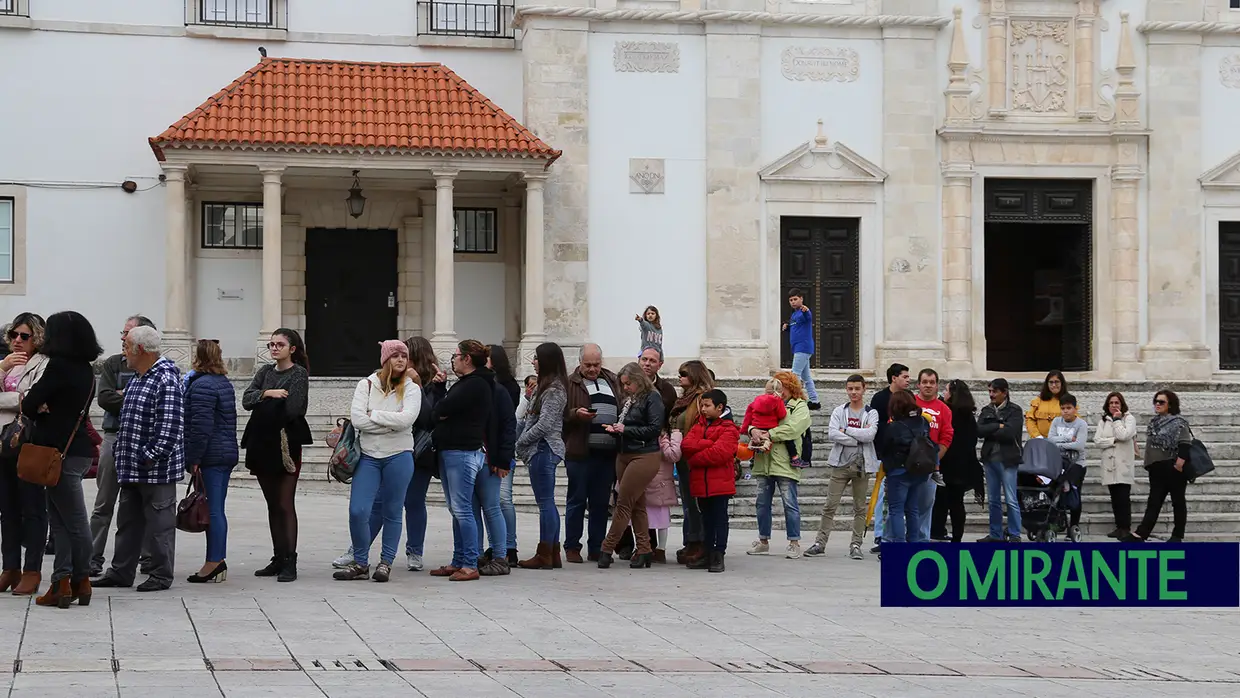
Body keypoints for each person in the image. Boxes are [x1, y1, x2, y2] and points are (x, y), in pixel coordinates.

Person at [17, 312, 101, 607]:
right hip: (75, 450)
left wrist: (40, 406)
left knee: (75, 522)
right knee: (62, 522)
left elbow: (28, 403)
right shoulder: (86, 370)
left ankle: (80, 579)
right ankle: (61, 582)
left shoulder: (58, 366)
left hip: (56, 453)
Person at [93, 326, 184, 593]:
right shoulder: (138, 377)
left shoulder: (165, 378)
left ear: (140, 350)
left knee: (159, 525)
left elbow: (169, 429)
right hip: (131, 467)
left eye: (127, 347)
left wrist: (147, 456)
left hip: (154, 469)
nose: (124, 353)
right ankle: (121, 572)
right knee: (128, 523)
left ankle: (159, 574)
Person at [335, 341, 421, 582]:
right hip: (369, 456)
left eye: (404, 356)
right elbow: (358, 420)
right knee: (358, 510)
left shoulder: (411, 388)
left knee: (392, 510)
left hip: (399, 455)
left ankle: (386, 562)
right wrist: (389, 424)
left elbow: (407, 420)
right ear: (385, 360)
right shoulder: (366, 384)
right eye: (395, 356)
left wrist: (376, 416)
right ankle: (361, 562)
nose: (401, 360)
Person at [240, 329, 311, 583]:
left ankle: (290, 560)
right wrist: (268, 395)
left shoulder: (298, 374)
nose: (274, 348)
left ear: (292, 348)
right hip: (261, 442)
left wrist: (264, 404)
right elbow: (246, 399)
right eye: (271, 344)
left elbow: (294, 408)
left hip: (286, 444)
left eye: (279, 344)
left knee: (284, 503)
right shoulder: (265, 372)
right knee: (272, 504)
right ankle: (278, 556)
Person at [90, 315, 155, 577]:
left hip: (142, 440)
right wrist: (135, 397)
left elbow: (153, 404)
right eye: (123, 332)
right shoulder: (113, 364)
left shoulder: (157, 367)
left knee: (144, 502)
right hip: (113, 436)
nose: (122, 338)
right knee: (104, 501)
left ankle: (147, 557)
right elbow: (104, 398)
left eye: (128, 334)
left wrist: (125, 394)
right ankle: (92, 557)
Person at [428, 340, 494, 582]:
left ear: (467, 359)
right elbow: (441, 410)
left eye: (456, 355)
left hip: (463, 452)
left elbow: (441, 410)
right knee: (456, 509)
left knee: (463, 509)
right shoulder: (466, 383)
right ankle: (459, 560)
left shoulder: (476, 384)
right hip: (451, 450)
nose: (453, 359)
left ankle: (469, 563)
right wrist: (440, 389)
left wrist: (441, 409)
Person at [597, 363, 664, 569]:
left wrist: (625, 429)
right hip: (625, 452)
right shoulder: (632, 399)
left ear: (638, 380)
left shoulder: (652, 397)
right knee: (636, 505)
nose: (625, 387)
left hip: (644, 454)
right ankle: (644, 550)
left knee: (623, 503)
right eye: (623, 384)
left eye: (628, 383)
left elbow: (654, 428)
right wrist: (617, 430)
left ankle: (606, 548)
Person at [0, 312, 49, 596]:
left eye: (24, 336)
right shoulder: (5, 364)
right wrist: (3, 369)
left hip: (28, 442)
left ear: (37, 339)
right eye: (13, 335)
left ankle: (32, 569)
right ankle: (10, 567)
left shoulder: (43, 365)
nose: (17, 341)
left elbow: (30, 401)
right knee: (7, 509)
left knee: (32, 508)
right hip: (3, 444)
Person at [183, 339, 238, 584]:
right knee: (216, 508)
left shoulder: (202, 385)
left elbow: (201, 427)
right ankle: (216, 560)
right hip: (224, 451)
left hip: (211, 455)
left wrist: (193, 458)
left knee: (214, 510)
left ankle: (215, 561)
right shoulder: (222, 383)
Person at [806, 374, 878, 559]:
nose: (853, 392)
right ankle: (819, 543)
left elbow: (870, 435)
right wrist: (856, 440)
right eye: (850, 388)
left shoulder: (871, 412)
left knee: (859, 507)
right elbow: (832, 434)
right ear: (846, 389)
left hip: (861, 465)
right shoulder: (839, 411)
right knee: (830, 505)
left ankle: (856, 544)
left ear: (864, 389)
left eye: (857, 388)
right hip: (840, 464)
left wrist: (845, 430)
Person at [562, 344, 619, 563]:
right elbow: (559, 413)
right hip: (580, 451)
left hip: (607, 453)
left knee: (601, 502)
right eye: (588, 365)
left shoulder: (613, 380)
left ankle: (597, 546)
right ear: (580, 362)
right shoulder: (570, 382)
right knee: (576, 500)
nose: (593, 369)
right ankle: (572, 547)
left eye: (596, 364)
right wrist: (576, 413)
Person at [746, 370, 812, 559]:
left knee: (790, 503)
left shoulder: (799, 406)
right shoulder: (763, 401)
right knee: (761, 503)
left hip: (784, 462)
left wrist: (769, 434)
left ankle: (794, 542)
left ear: (791, 388)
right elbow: (751, 418)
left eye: (782, 387)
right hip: (763, 460)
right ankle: (763, 540)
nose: (778, 391)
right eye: (775, 387)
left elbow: (794, 428)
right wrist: (752, 430)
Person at [515, 342, 568, 570]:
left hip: (544, 448)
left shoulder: (554, 390)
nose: (533, 362)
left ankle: (545, 551)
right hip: (541, 448)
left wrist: (522, 440)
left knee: (545, 502)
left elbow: (545, 424)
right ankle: (552, 552)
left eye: (536, 358)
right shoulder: (543, 387)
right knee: (547, 502)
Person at [681, 389, 739, 573]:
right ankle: (705, 552)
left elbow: (720, 454)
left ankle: (718, 554)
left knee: (719, 519)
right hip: (701, 483)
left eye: (707, 406)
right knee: (705, 519)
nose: (703, 409)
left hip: (720, 483)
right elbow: (686, 445)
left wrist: (695, 458)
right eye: (702, 406)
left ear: (719, 407)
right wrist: (707, 445)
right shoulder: (699, 424)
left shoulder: (729, 428)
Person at [1126, 390, 1192, 543]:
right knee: (1154, 502)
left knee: (1178, 502)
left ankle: (1177, 535)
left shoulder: (1179, 422)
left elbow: (1185, 444)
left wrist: (1179, 465)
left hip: (1173, 467)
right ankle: (1141, 534)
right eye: (1156, 401)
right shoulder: (1154, 422)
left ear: (1170, 405)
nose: (1157, 404)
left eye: (1161, 402)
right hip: (1156, 468)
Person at [474, 348, 515, 577]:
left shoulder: (498, 391)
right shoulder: (473, 388)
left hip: (491, 459)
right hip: (474, 455)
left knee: (492, 506)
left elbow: (508, 427)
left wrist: (503, 460)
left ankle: (501, 555)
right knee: (471, 509)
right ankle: (476, 553)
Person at [668, 360, 713, 565]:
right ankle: (692, 541)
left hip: (695, 456)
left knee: (696, 504)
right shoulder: (685, 398)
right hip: (682, 457)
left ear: (695, 375)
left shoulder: (702, 398)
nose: (680, 377)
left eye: (684, 373)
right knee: (688, 503)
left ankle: (702, 543)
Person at [879, 390, 932, 546]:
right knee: (913, 509)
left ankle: (899, 544)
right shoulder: (923, 422)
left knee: (896, 510)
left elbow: (884, 449)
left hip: (898, 471)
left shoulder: (894, 427)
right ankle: (914, 543)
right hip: (919, 470)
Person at [931, 379, 980, 543]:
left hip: (947, 463)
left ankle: (937, 531)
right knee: (957, 503)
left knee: (941, 501)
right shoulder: (969, 415)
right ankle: (956, 537)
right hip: (963, 465)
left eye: (946, 391)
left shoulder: (948, 412)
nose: (943, 394)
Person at [976, 378, 1024, 543]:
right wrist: (999, 425)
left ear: (1004, 392)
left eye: (995, 391)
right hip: (990, 459)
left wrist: (993, 428)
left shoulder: (1015, 411)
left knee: (1011, 499)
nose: (991, 395)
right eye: (989, 391)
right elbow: (979, 430)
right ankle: (995, 534)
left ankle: (1015, 533)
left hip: (1008, 460)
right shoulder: (986, 410)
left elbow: (1010, 433)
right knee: (993, 500)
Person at [868, 363, 909, 552]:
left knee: (899, 500)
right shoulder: (880, 398)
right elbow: (876, 426)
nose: (908, 380)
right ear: (894, 378)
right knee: (881, 496)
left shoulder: (909, 398)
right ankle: (880, 535)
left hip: (903, 456)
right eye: (905, 377)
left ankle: (896, 535)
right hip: (882, 454)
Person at [485, 345, 520, 565]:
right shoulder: (484, 384)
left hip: (503, 448)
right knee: (491, 501)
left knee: (503, 499)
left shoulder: (508, 387)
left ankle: (510, 546)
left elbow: (508, 421)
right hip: (487, 449)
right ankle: (495, 544)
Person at [912, 369, 953, 541]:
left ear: (937, 385)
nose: (928, 385)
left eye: (932, 382)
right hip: (907, 464)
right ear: (918, 384)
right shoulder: (910, 403)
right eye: (925, 382)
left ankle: (921, 541)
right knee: (900, 506)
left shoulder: (944, 409)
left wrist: (934, 459)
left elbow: (946, 436)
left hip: (930, 467)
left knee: (926, 505)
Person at [1095, 391, 1138, 539]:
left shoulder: (1129, 418)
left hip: (1123, 463)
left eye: (1116, 403)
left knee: (1123, 497)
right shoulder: (1103, 421)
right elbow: (1098, 441)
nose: (1114, 405)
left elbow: (1124, 435)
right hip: (1109, 464)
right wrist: (1112, 441)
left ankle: (1125, 527)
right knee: (1114, 497)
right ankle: (1118, 527)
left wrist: (1117, 420)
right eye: (1111, 403)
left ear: (1122, 404)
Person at [1047, 393, 1088, 540]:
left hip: (1076, 464)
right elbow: (1049, 440)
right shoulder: (1057, 421)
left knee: (1073, 494)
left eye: (1069, 408)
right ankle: (1054, 524)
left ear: (1075, 409)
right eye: (1063, 408)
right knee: (1054, 493)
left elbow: (1079, 445)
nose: (1065, 411)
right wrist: (1068, 439)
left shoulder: (1081, 424)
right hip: (1058, 463)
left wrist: (1059, 443)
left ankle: (1073, 525)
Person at [781, 289, 820, 411]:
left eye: (795, 299)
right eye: (791, 300)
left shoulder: (804, 312)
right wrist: (786, 327)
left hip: (803, 347)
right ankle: (814, 401)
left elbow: (807, 316)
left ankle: (793, 399)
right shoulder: (794, 314)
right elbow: (794, 326)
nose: (793, 302)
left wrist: (806, 310)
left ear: (801, 299)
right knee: (806, 377)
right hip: (798, 347)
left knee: (794, 375)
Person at [741, 380, 797, 462]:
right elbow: (782, 414)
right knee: (789, 440)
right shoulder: (778, 401)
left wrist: (745, 428)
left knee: (756, 441)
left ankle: (753, 457)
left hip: (756, 427)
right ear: (781, 391)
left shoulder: (757, 400)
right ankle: (794, 457)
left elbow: (748, 415)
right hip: (770, 428)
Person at [1026, 370, 1067, 439]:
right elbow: (1030, 420)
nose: (1054, 385)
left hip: (1060, 442)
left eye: (1057, 382)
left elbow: (1074, 421)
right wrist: (1037, 436)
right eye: (1051, 382)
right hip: (1040, 441)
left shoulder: (1068, 400)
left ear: (1062, 383)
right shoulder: (1038, 401)